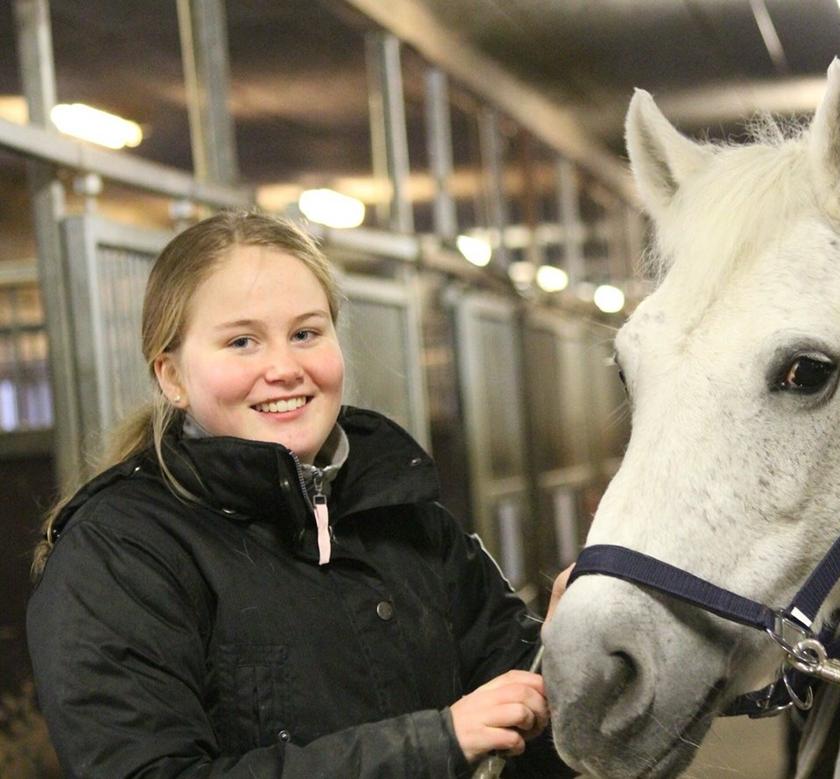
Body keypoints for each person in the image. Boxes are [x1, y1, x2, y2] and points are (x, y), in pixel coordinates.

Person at [26, 211, 574, 778]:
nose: (284, 368)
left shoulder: (405, 514)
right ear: (172, 377)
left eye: (306, 333)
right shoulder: (120, 553)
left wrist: (568, 659)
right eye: (242, 341)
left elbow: (534, 732)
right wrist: (435, 744)